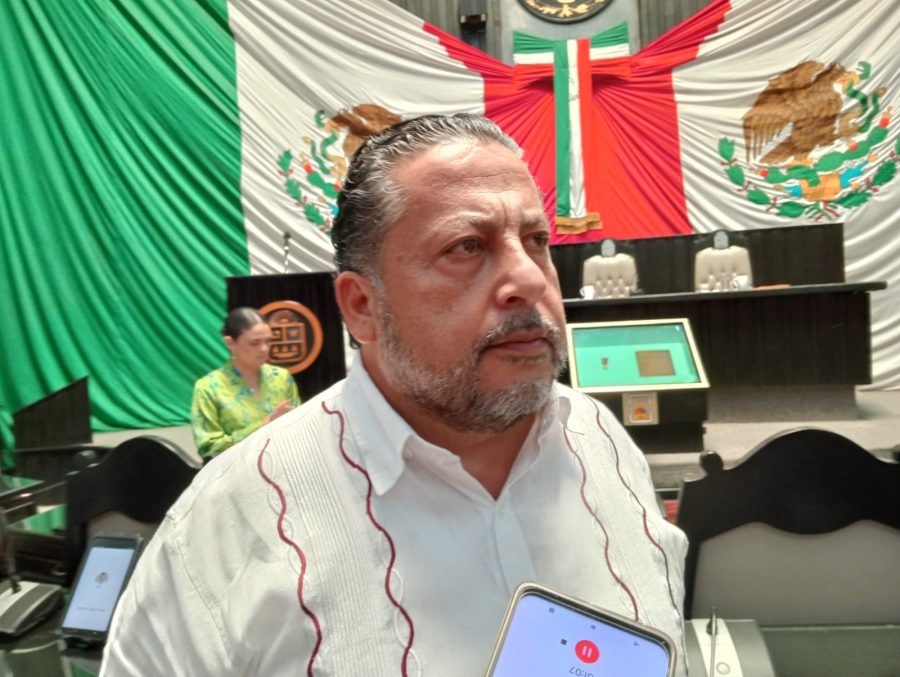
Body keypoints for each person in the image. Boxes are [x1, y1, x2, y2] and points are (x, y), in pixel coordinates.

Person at [101, 114, 688, 676]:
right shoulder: (235, 519)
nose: (531, 279)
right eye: (466, 247)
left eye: (536, 240)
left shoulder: (602, 441)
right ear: (362, 306)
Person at [190, 307, 300, 460]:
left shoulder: (281, 377)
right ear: (230, 343)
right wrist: (262, 426)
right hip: (235, 469)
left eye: (268, 341)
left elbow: (300, 427)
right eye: (254, 343)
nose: (264, 349)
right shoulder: (209, 387)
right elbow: (209, 447)